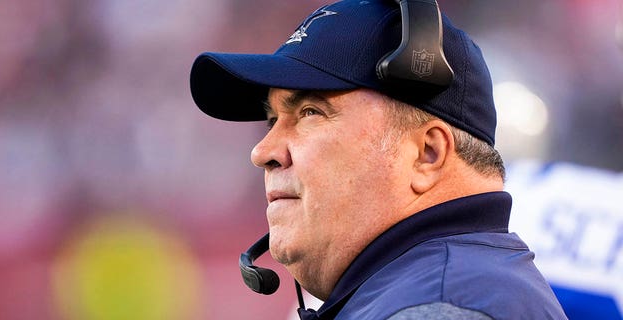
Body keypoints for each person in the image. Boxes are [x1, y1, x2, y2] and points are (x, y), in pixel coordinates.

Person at [189, 0, 568, 319]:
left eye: (309, 112)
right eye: (273, 120)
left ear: (427, 153)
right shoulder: (438, 289)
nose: (263, 152)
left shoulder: (441, 307)